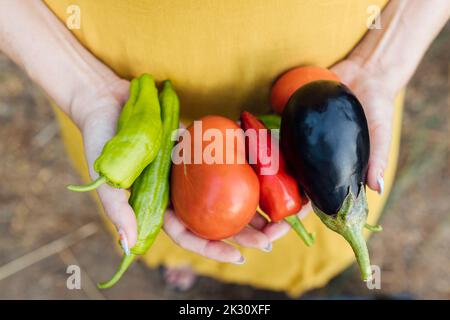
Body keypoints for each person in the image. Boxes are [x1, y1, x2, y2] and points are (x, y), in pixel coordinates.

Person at [0, 0, 448, 295]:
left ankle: (296, 268)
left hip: (333, 65)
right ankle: (181, 259)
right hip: (116, 69)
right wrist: (81, 86)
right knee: (160, 206)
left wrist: (381, 62)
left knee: (293, 215)